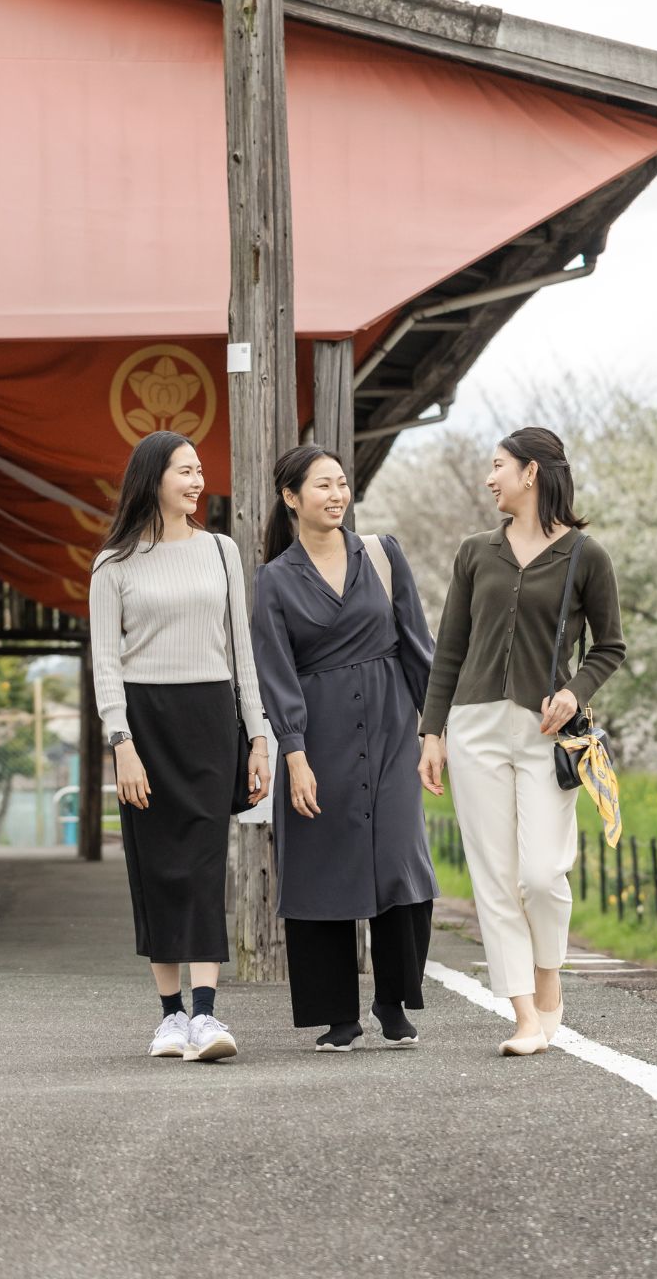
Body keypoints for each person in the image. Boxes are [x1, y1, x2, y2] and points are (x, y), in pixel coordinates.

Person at [418, 426, 626, 1056]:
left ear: (531, 472)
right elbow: (449, 649)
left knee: (540, 874)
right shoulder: (475, 552)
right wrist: (432, 732)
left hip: (546, 733)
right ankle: (524, 1016)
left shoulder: (586, 556)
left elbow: (610, 646)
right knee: (495, 878)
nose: (490, 478)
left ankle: (548, 976)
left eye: (498, 466)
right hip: (475, 726)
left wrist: (575, 692)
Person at [90, 431, 271, 1062]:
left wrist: (258, 735)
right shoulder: (113, 564)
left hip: (210, 717)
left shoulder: (221, 551)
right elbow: (106, 665)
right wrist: (121, 742)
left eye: (199, 471)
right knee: (156, 867)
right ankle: (170, 1018)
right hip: (144, 722)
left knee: (202, 865)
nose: (197, 482)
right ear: (153, 478)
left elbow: (242, 652)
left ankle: (206, 1014)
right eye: (184, 471)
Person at [250, 445, 437, 1052]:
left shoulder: (382, 555)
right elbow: (276, 671)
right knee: (322, 868)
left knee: (400, 862)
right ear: (291, 497)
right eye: (322, 485)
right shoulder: (275, 579)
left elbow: (418, 646)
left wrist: (434, 732)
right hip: (319, 738)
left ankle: (393, 1000)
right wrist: (294, 754)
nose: (337, 496)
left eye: (341, 484)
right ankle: (338, 1015)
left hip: (391, 729)